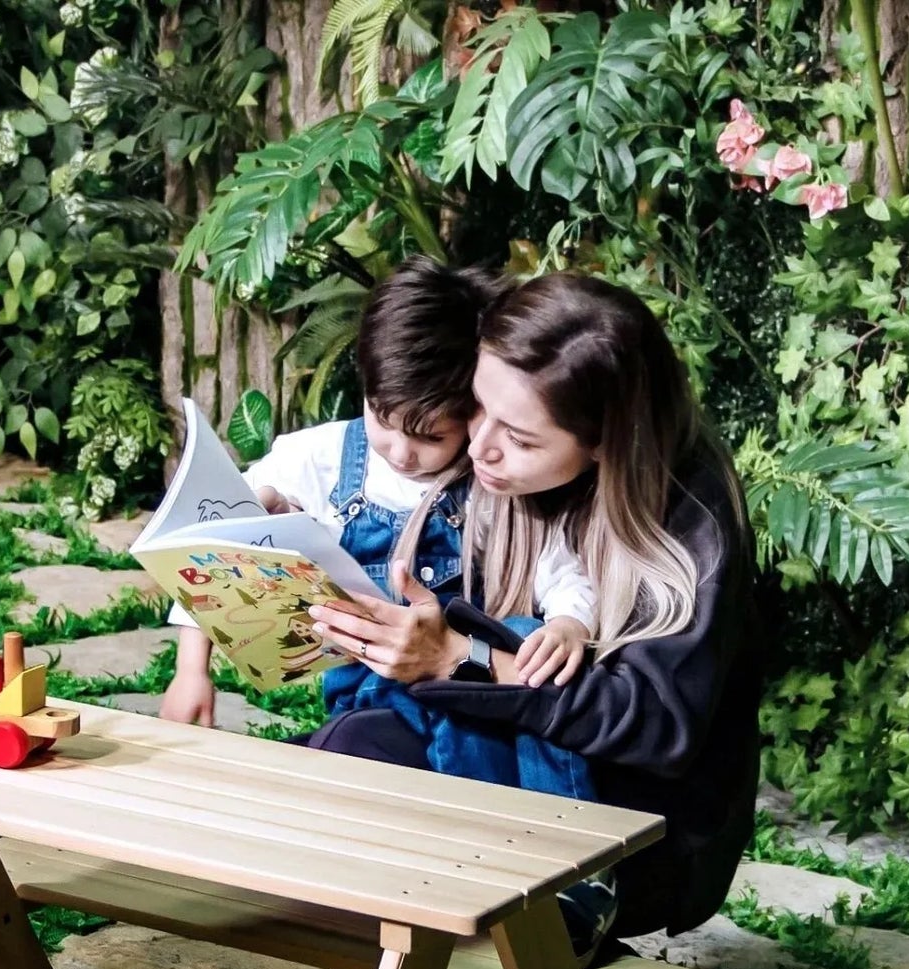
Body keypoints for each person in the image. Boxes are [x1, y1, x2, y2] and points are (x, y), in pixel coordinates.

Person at [303, 271, 762, 945]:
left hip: (639, 823)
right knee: (324, 766)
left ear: (604, 440)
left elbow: (656, 726)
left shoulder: (688, 512)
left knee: (357, 766)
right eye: (476, 407)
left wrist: (461, 658)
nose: (480, 445)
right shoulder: (506, 464)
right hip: (502, 764)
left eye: (518, 437)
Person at [159, 257, 601, 732]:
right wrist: (191, 671)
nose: (402, 452)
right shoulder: (319, 459)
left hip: (461, 704)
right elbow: (210, 553)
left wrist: (569, 624)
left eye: (431, 437)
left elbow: (565, 572)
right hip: (363, 705)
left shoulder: (490, 485)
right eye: (382, 419)